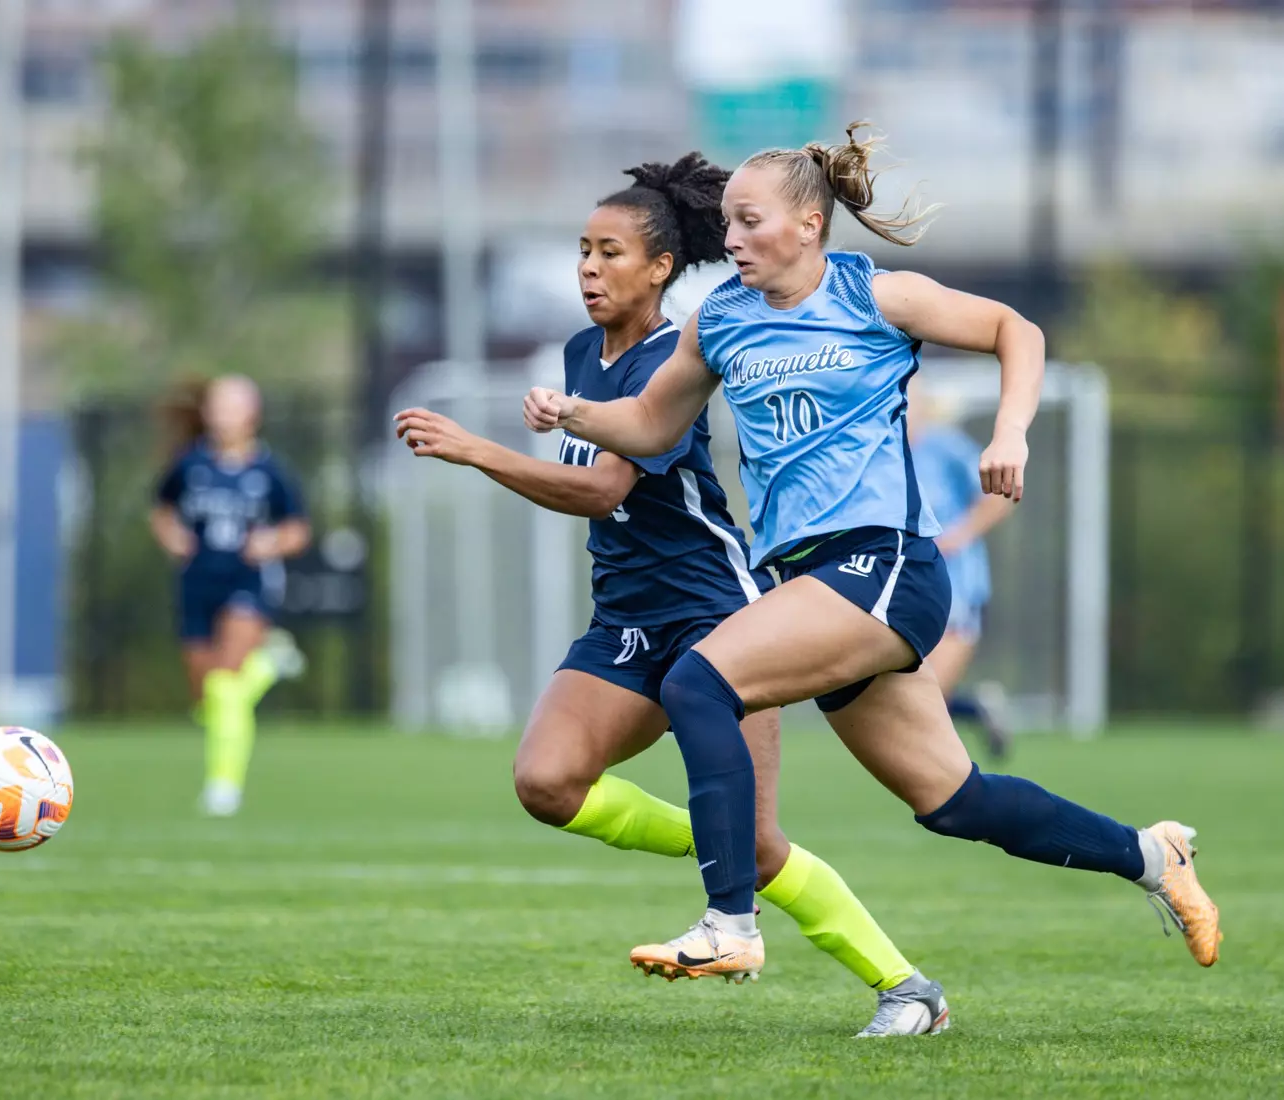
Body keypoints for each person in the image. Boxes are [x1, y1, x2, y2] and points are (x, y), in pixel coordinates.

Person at [523, 123, 1222, 988]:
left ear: (809, 226)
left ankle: (731, 923)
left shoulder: (873, 296)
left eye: (748, 222)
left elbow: (1017, 331)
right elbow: (650, 426)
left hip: (884, 564)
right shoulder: (722, 322)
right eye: (729, 225)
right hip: (812, 584)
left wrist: (1011, 433)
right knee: (956, 802)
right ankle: (1151, 857)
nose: (731, 239)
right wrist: (572, 414)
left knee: (697, 680)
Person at [394, 153, 949, 1037]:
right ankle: (715, 834)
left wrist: (477, 450)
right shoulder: (583, 352)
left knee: (762, 849)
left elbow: (606, 486)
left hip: (713, 611)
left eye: (610, 252)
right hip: (625, 614)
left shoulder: (677, 350)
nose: (587, 267)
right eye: (581, 250)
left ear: (660, 269)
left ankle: (907, 987)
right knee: (546, 781)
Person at [151, 375, 311, 817]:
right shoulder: (190, 465)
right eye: (217, 405)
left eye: (232, 405)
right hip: (197, 582)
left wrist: (271, 543)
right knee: (206, 699)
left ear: (252, 415)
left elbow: (298, 530)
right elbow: (162, 510)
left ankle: (223, 787)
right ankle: (271, 663)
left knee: (225, 687)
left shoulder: (268, 471)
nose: (222, 414)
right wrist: (171, 536)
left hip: (247, 582)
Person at [908, 380, 1015, 758]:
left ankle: (960, 787)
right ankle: (976, 710)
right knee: (910, 696)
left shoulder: (945, 447)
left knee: (925, 697)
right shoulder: (881, 453)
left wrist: (959, 534)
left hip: (956, 583)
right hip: (907, 586)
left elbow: (1000, 494)